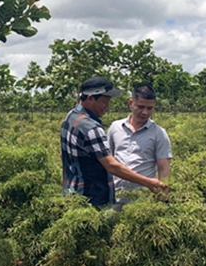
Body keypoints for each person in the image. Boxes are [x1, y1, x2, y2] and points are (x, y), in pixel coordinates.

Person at [61, 76, 168, 207]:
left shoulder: (70, 117)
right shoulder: (94, 129)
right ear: (90, 98)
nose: (107, 106)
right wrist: (149, 183)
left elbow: (63, 154)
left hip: (72, 192)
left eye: (150, 108)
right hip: (91, 197)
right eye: (104, 102)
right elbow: (111, 165)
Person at [108, 83, 172, 202]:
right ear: (131, 103)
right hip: (114, 195)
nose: (145, 112)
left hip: (142, 199)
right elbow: (108, 160)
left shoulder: (159, 133)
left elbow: (163, 168)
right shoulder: (115, 128)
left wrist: (163, 198)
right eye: (141, 107)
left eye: (150, 108)